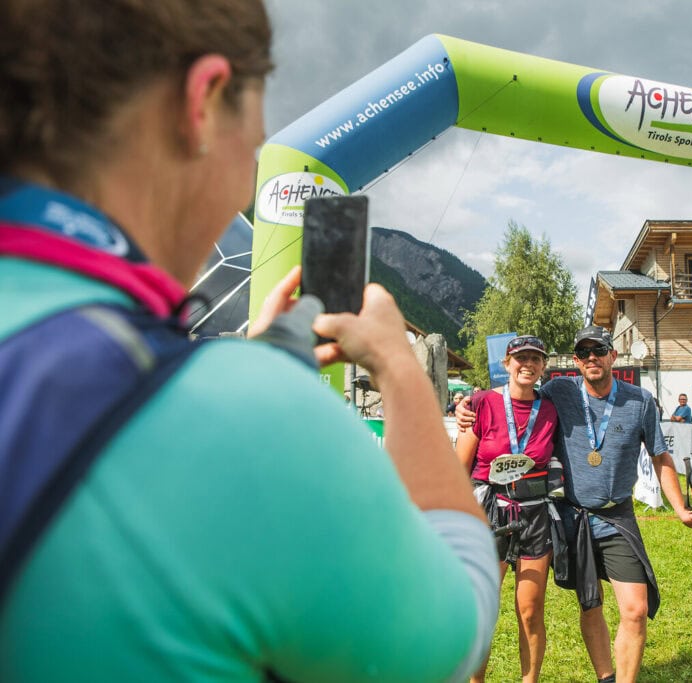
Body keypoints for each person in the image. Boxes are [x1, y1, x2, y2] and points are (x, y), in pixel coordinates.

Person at [0, 3, 498, 680]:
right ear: (201, 102)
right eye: (256, 140)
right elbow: (456, 630)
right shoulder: (247, 417)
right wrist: (398, 366)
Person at [459, 325, 692, 683]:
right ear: (574, 361)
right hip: (561, 515)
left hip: (610, 516)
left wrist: (682, 509)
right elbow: (510, 402)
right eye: (584, 353)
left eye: (599, 350)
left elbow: (660, 457)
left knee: (630, 610)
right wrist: (468, 404)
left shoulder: (636, 401)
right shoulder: (557, 392)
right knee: (584, 604)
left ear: (613, 356)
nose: (592, 358)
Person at [455, 335, 559, 683]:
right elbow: (459, 468)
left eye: (535, 358)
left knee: (530, 611)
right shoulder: (481, 403)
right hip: (490, 510)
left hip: (534, 513)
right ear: (506, 363)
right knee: (482, 608)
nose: (527, 364)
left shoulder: (549, 409)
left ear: (543, 365)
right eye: (520, 358)